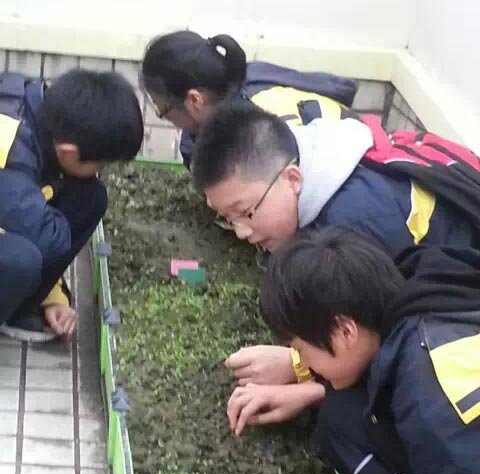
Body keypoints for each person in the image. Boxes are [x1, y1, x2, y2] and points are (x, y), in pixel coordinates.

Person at [226, 226, 480, 474]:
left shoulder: (433, 404)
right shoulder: (421, 287)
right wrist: (304, 382)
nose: (300, 360)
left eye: (299, 349)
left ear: (346, 331)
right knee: (341, 417)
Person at [192, 103, 480, 389]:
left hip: (463, 310)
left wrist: (301, 372)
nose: (241, 231)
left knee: (345, 412)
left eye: (246, 212)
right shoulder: (308, 158)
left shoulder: (357, 225)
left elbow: (385, 339)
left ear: (293, 179)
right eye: (228, 218)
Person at [0, 69, 143, 341]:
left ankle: (19, 309)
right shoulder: (6, 143)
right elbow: (43, 237)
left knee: (89, 198)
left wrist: (52, 297)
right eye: (100, 165)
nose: (100, 172)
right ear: (69, 152)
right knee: (22, 259)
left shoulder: (38, 109)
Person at [140, 30, 358, 168]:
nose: (168, 119)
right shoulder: (236, 80)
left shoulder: (256, 133)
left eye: (164, 111)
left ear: (195, 101)